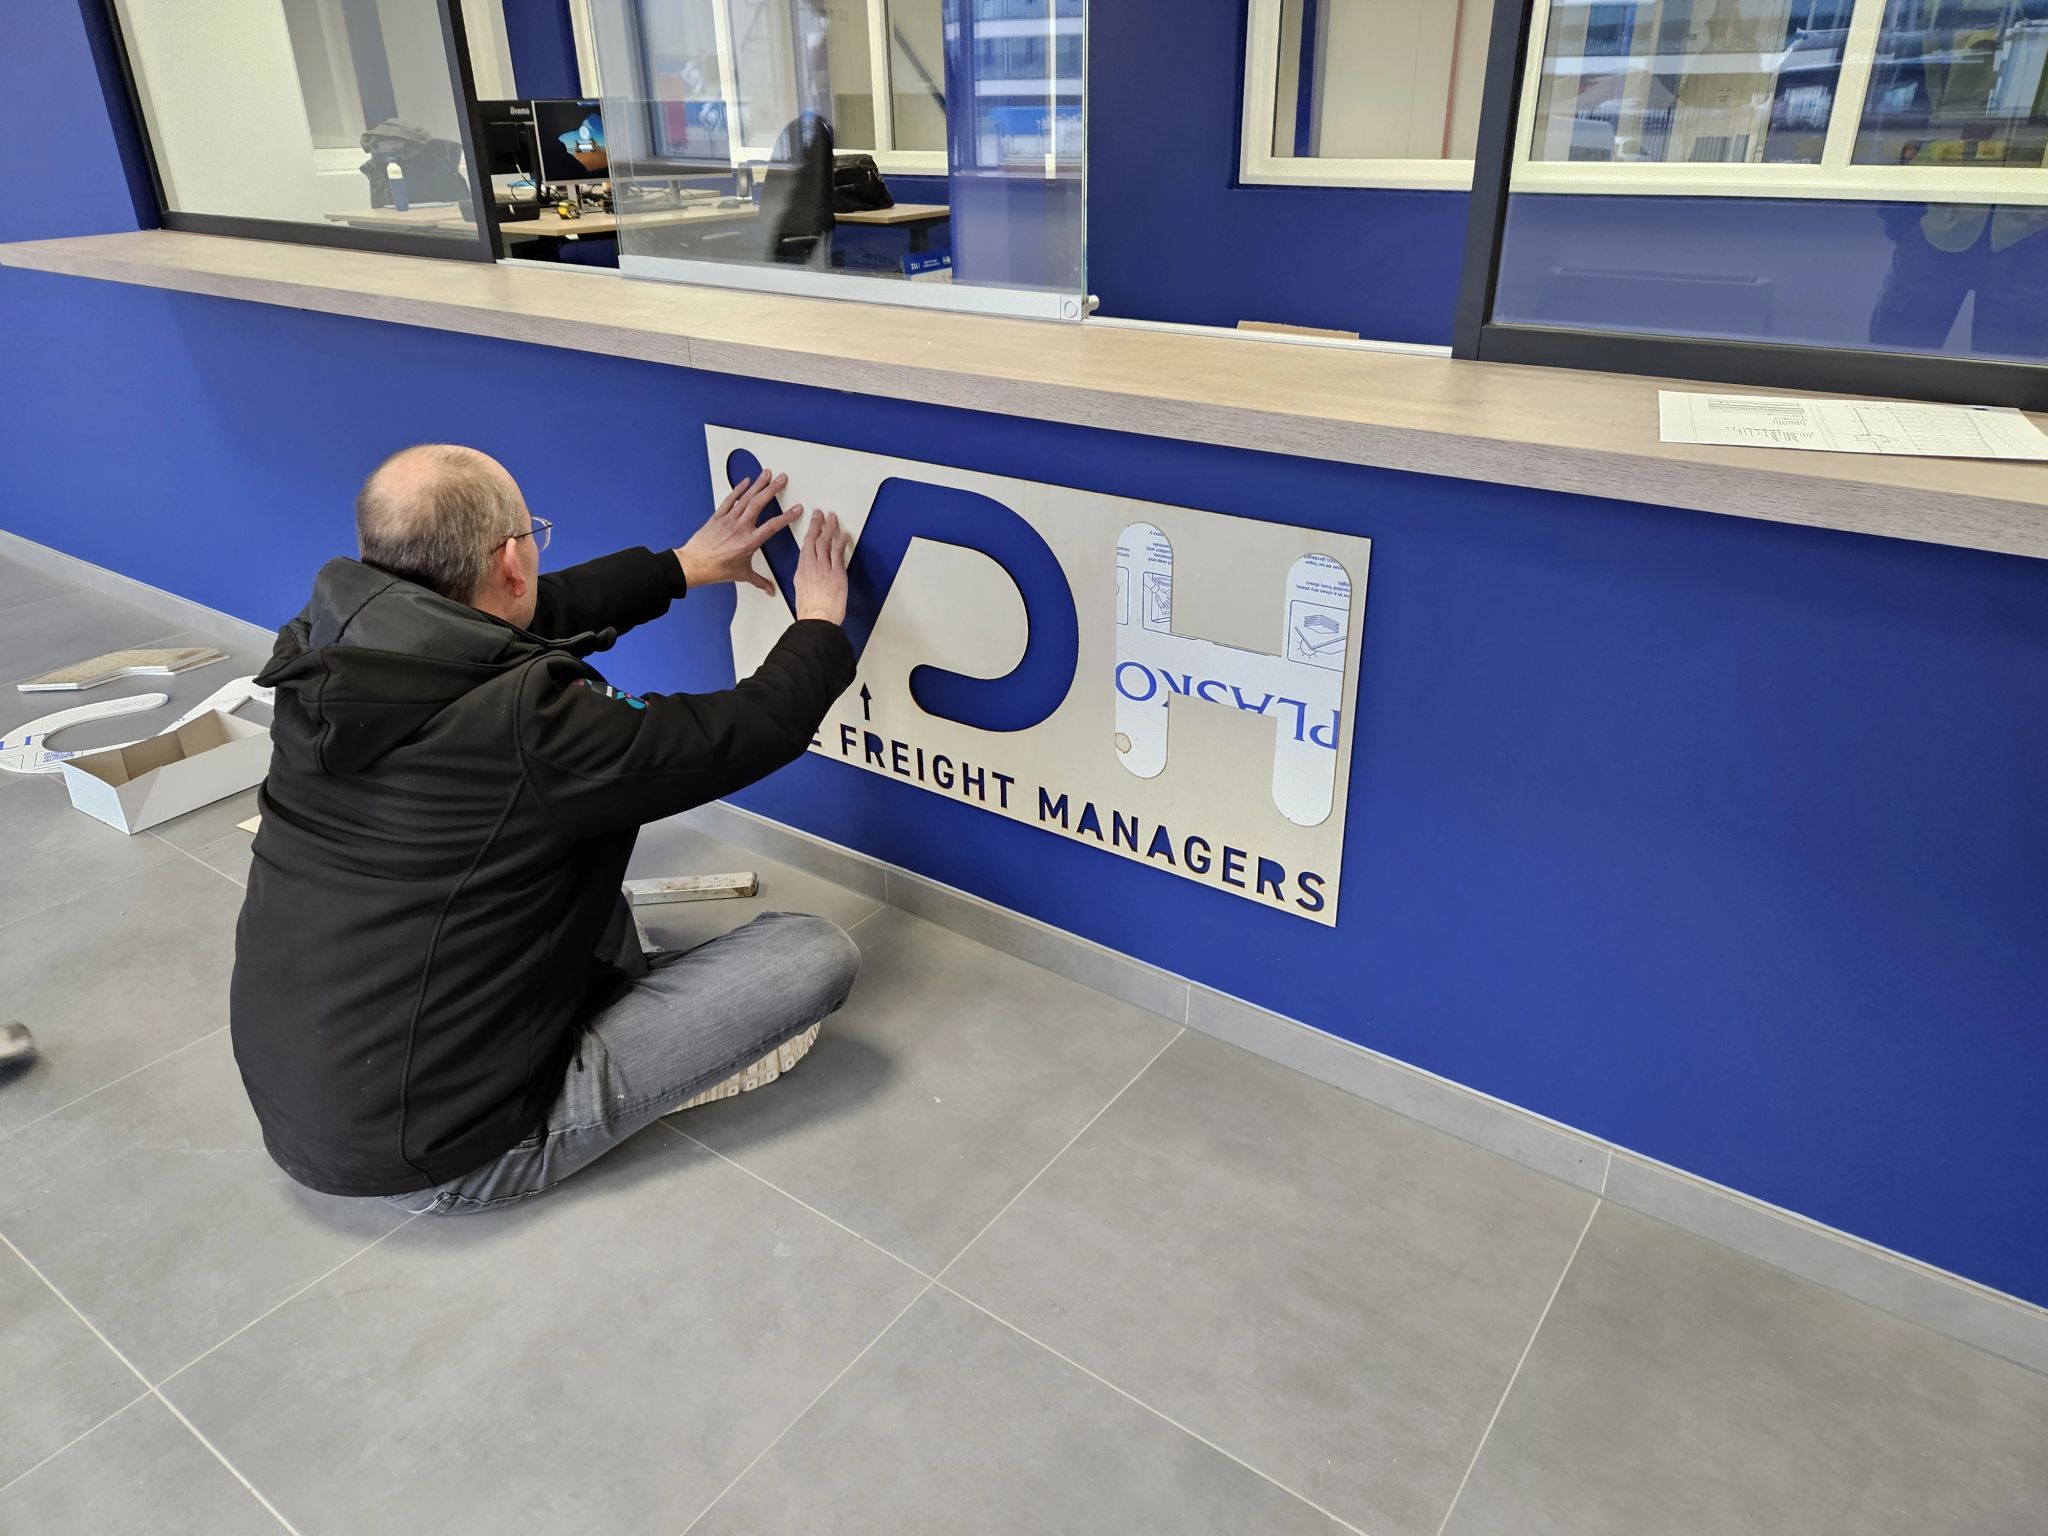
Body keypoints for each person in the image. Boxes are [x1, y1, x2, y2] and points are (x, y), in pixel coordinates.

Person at [229, 444, 858, 1215]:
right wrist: (819, 624)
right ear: (510, 561)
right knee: (811, 954)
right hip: (450, 1153)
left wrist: (680, 568)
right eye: (533, 536)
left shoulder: (325, 649)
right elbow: (748, 731)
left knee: (565, 858)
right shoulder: (532, 725)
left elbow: (502, 618)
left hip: (312, 1102)